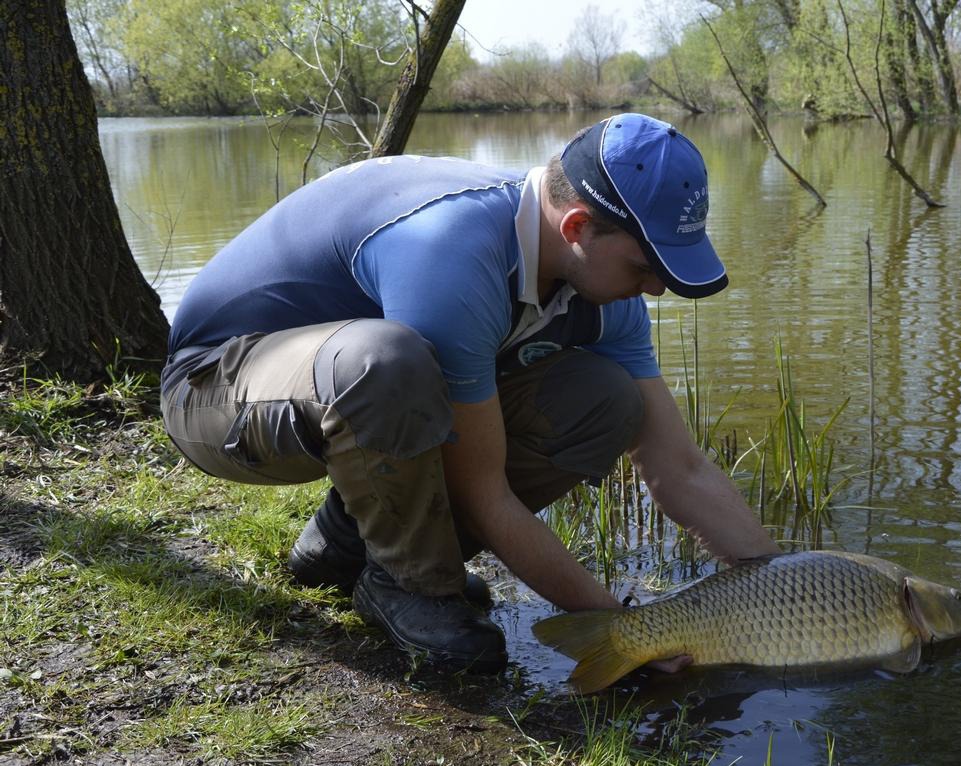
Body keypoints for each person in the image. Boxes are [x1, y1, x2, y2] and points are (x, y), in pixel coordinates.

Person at [160, 113, 781, 676]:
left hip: (337, 387)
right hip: (218, 389)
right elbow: (484, 492)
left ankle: (346, 544)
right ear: (578, 227)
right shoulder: (454, 253)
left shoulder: (592, 284)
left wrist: (775, 583)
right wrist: (627, 635)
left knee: (608, 398)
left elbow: (681, 467)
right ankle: (408, 584)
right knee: (387, 362)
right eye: (645, 269)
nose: (655, 292)